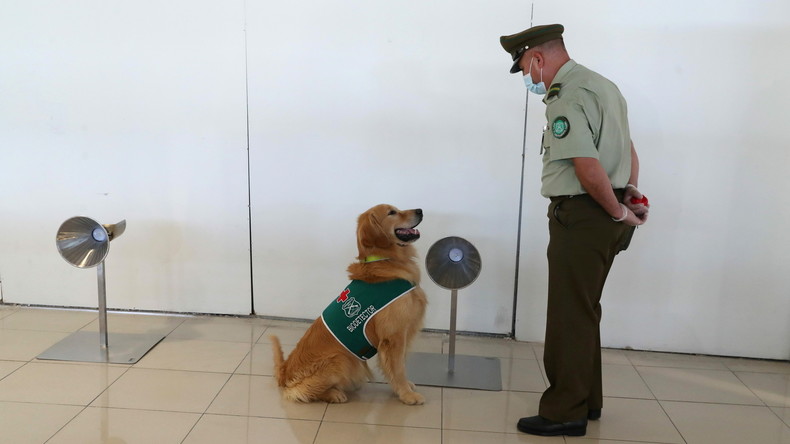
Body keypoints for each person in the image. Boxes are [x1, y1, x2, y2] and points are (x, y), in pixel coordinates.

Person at [499, 24, 649, 437]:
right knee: (585, 311)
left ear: (537, 58)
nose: (530, 78)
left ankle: (565, 410)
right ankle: (588, 401)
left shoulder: (565, 95)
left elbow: (586, 165)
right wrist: (628, 193)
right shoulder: (604, 86)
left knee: (568, 315)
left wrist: (617, 211)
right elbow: (628, 150)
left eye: (526, 68)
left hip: (584, 217)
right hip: (607, 213)